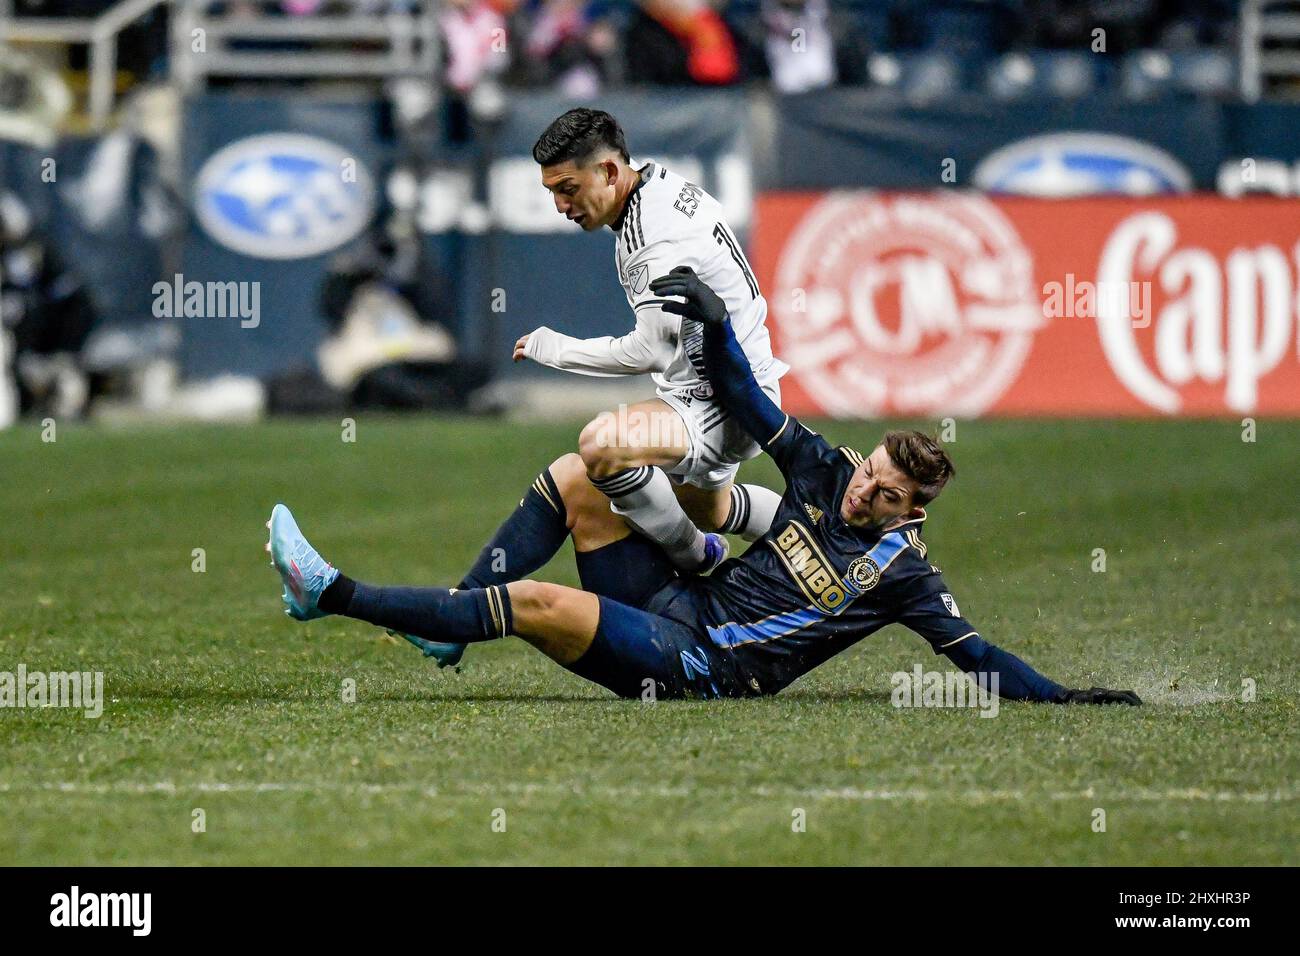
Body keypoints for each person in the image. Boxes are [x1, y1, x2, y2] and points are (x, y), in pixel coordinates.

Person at [266, 267, 1141, 707]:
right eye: (870, 471)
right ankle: (453, 623)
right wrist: (717, 325)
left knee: (535, 602)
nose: (860, 492)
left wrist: (1063, 698)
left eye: (880, 495)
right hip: (680, 597)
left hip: (706, 666)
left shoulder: (905, 576)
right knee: (579, 478)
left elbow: (978, 660)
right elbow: (751, 401)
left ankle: (331, 593)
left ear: (911, 512)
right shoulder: (826, 468)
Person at [404, 107, 789, 668]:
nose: (560, 205)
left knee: (603, 447)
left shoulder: (655, 236)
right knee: (705, 503)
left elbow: (648, 350)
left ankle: (695, 556)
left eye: (567, 188)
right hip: (726, 389)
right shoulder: (653, 188)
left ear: (610, 172)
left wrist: (554, 348)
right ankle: (821, 531)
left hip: (722, 402)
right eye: (551, 191)